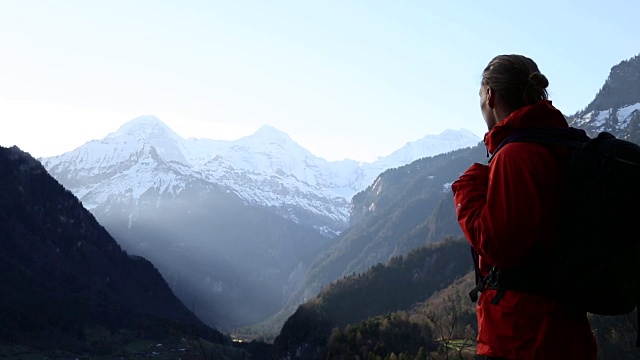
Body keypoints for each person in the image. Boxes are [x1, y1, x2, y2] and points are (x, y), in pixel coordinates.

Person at [451, 54, 597, 359]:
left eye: (480, 95)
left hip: (520, 335)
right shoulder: (567, 145)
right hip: (569, 331)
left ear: (490, 96)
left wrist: (468, 189)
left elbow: (498, 246)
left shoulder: (515, 155)